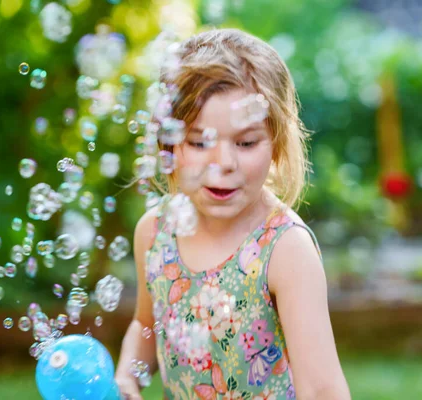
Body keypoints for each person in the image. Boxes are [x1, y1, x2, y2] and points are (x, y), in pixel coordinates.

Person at [115, 28, 351, 400]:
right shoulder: (155, 232)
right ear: (168, 143)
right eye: (198, 142)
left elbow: (322, 390)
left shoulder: (285, 249)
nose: (222, 163)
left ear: (275, 144)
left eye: (245, 142)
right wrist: (128, 376)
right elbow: (146, 325)